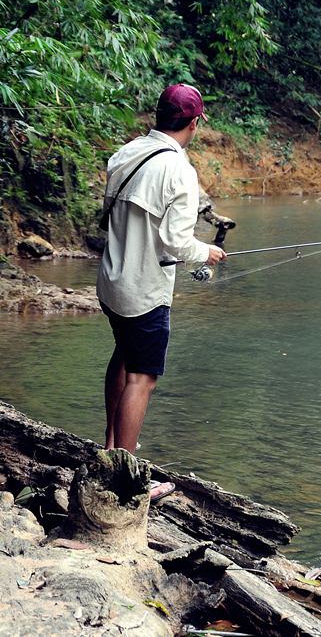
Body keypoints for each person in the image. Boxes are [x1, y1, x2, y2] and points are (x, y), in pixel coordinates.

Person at [96, 84, 226, 502]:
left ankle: (111, 451)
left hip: (111, 282)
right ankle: (125, 477)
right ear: (193, 123)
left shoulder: (127, 153)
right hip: (144, 291)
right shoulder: (179, 171)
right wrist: (206, 251)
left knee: (123, 354)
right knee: (142, 377)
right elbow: (174, 243)